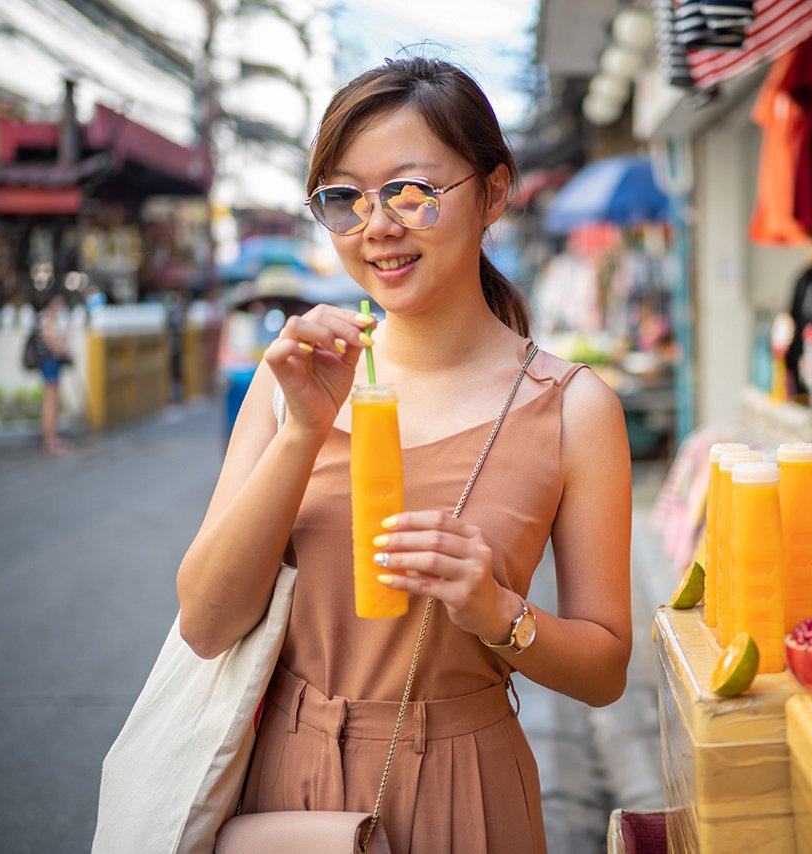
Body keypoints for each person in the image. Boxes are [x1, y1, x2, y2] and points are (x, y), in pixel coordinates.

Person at [175, 57, 633, 853]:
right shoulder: (292, 383)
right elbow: (207, 625)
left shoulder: (574, 408)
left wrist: (499, 613)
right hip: (286, 786)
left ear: (492, 192)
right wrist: (303, 432)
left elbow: (605, 672)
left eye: (411, 191)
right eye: (345, 198)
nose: (377, 225)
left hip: (471, 791)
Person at [35, 293, 72, 455]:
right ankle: (50, 439)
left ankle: (51, 437)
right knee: (51, 402)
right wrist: (65, 348)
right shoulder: (48, 321)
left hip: (51, 365)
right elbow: (55, 348)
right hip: (50, 365)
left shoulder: (51, 321)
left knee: (53, 401)